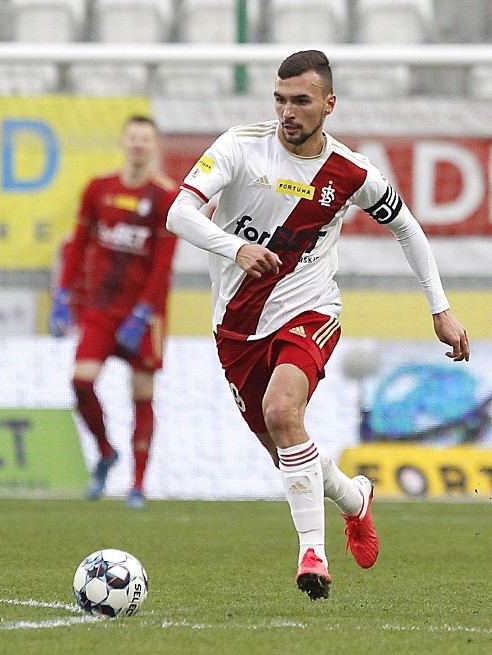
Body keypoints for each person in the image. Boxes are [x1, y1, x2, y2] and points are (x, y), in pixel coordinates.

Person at [166, 50, 470, 600]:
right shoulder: (238, 146)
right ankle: (355, 499)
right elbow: (179, 213)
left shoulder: (351, 173)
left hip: (311, 309)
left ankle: (313, 554)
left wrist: (440, 308)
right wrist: (234, 248)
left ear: (329, 104)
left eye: (301, 101)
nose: (287, 112)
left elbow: (408, 229)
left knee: (283, 410)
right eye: (280, 100)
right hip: (236, 325)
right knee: (285, 448)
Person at [50, 115, 178, 510]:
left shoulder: (166, 197)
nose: (139, 145)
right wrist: (62, 293)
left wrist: (144, 311)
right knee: (81, 381)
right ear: (123, 142)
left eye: (146, 139)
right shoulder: (98, 188)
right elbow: (79, 243)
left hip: (144, 314)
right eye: (133, 138)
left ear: (154, 147)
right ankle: (106, 452)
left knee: (142, 393)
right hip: (101, 310)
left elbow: (163, 263)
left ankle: (137, 485)